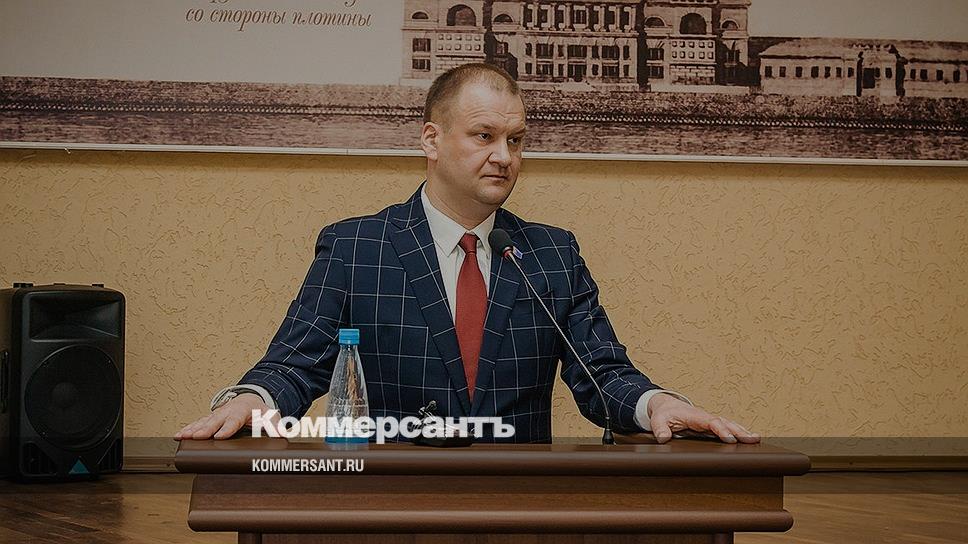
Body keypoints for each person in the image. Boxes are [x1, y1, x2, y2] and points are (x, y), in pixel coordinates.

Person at [175, 63, 759, 445]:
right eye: (484, 136)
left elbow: (602, 373)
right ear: (431, 139)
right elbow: (294, 365)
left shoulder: (551, 254)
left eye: (516, 140)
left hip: (520, 509)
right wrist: (251, 399)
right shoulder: (355, 247)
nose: (504, 156)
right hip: (386, 505)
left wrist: (657, 404)